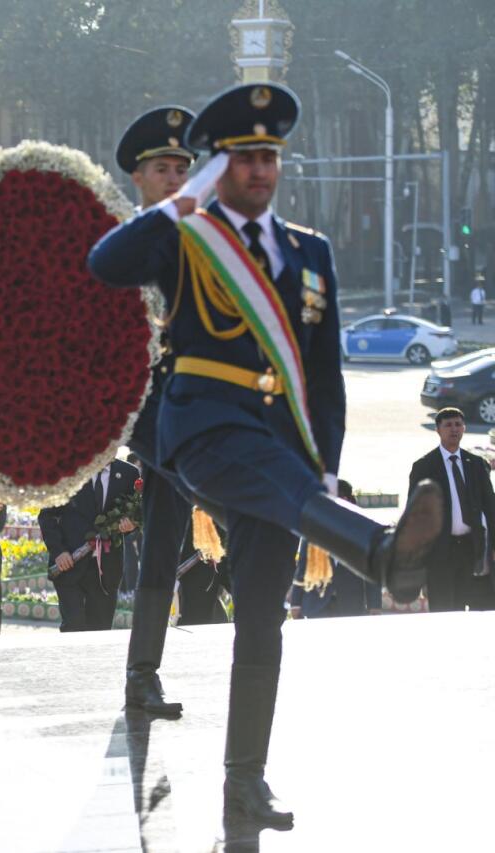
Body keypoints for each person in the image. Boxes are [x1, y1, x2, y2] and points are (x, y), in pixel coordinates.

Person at [88, 82, 443, 826]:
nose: (258, 169)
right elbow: (106, 263)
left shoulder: (310, 253)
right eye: (243, 157)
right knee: (239, 503)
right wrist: (184, 200)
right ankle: (379, 552)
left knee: (261, 613)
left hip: (282, 455)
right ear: (221, 168)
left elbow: (324, 380)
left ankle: (243, 780)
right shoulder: (186, 235)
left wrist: (326, 466)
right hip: (201, 428)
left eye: (268, 157)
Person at [108, 106, 202, 717]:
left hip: (196, 408)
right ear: (138, 178)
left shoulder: (207, 242)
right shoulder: (122, 246)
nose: (174, 177)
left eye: (182, 168)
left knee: (164, 545)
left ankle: (143, 676)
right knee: (223, 503)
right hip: (144, 414)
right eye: (162, 168)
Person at [408, 408, 495, 612]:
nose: (453, 429)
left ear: (464, 428)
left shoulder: (476, 464)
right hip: (441, 552)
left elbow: (491, 506)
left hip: (473, 548)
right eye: (448, 425)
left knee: (481, 608)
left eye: (458, 424)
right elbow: (415, 515)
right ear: (438, 430)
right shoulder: (424, 466)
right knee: (445, 610)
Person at [38, 457, 140, 632]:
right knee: (74, 626)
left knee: (100, 631)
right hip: (70, 563)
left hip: (106, 569)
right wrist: (59, 551)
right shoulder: (68, 471)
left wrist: (131, 525)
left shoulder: (128, 474)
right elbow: (46, 516)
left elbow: (135, 513)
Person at [291, 480, 382, 618]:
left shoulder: (362, 532)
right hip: (317, 605)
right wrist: (296, 603)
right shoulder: (313, 527)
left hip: (350, 606)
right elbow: (303, 566)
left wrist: (374, 605)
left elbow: (371, 571)